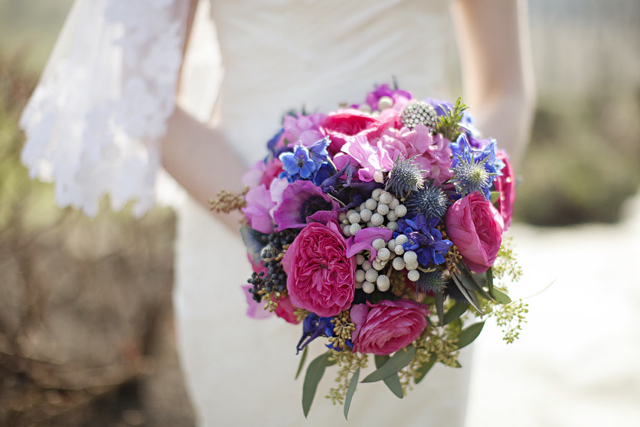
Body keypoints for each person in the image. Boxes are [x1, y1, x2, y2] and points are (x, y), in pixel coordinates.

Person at [20, 0, 534, 425]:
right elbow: (141, 94)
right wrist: (287, 240)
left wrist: (459, 209)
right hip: (238, 228)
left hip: (424, 261)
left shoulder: (430, 236)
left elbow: (505, 91)